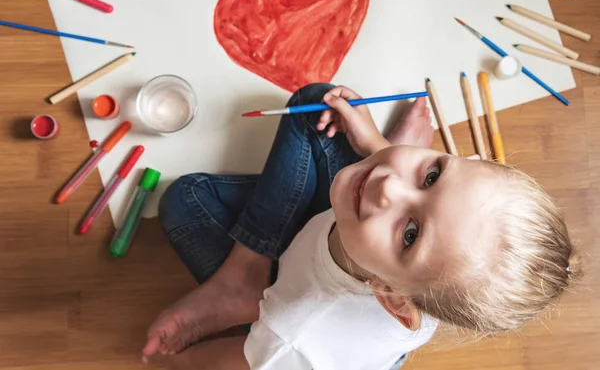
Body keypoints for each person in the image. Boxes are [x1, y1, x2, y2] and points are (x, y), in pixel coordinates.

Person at [143, 83, 581, 370]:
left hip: (302, 309)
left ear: (391, 298)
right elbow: (393, 191)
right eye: (431, 175)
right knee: (315, 102)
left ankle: (243, 284)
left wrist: (178, 363)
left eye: (411, 235)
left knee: (184, 203)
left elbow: (249, 361)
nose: (389, 184)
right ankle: (245, 272)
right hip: (342, 237)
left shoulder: (295, 335)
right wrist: (376, 146)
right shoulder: (431, 265)